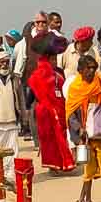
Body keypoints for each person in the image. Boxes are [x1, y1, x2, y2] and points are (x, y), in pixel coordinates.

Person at [64, 51, 101, 202]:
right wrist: (79, 129)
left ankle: (82, 199)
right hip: (82, 133)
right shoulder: (75, 88)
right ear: (81, 70)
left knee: (90, 167)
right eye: (88, 68)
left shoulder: (99, 82)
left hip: (96, 130)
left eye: (94, 68)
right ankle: (87, 201)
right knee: (89, 167)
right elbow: (70, 113)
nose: (91, 71)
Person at [27, 43, 74, 173]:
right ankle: (52, 167)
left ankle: (63, 163)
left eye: (55, 59)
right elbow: (32, 94)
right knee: (49, 140)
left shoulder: (58, 73)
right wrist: (27, 108)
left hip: (59, 109)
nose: (54, 62)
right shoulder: (38, 75)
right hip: (45, 112)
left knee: (61, 137)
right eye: (52, 59)